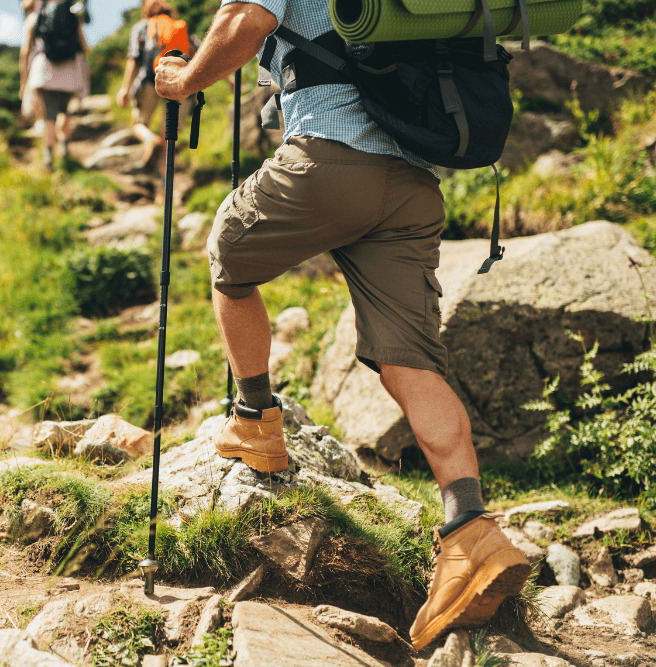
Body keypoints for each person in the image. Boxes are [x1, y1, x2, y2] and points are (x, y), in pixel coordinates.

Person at [153, 0, 532, 652]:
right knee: (409, 361)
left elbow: (245, 21)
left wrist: (186, 80)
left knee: (228, 254)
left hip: (331, 159)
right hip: (411, 184)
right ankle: (470, 529)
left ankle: (254, 420)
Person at [115, 0, 198, 173]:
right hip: (177, 82)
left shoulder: (142, 27)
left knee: (138, 123)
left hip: (149, 80)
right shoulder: (180, 27)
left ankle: (149, 140)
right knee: (169, 136)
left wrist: (124, 88)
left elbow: (133, 58)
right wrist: (228, 80)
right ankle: (163, 180)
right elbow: (200, 52)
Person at [20, 0, 91, 169]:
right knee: (64, 112)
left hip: (44, 71)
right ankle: (64, 149)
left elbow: (25, 52)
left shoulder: (34, 18)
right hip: (69, 72)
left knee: (49, 117)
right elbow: (85, 48)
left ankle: (48, 158)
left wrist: (24, 82)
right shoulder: (72, 15)